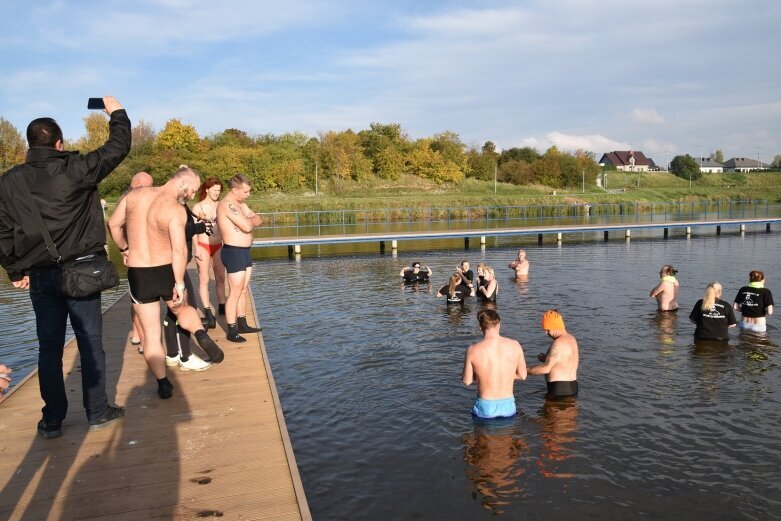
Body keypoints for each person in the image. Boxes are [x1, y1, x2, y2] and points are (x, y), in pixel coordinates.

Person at [0, 96, 129, 438]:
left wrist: (14, 269)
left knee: (49, 348)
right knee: (90, 343)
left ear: (29, 145)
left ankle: (53, 419)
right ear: (59, 144)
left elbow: (2, 230)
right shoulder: (76, 168)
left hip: (41, 276)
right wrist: (116, 111)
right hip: (81, 273)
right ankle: (97, 412)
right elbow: (118, 146)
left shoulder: (8, 182)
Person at [108, 166, 224, 399]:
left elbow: (113, 224)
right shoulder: (175, 209)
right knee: (182, 310)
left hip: (139, 271)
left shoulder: (133, 197)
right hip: (166, 270)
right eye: (191, 191)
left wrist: (124, 248)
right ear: (181, 184)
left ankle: (162, 384)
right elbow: (180, 250)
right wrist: (179, 282)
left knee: (151, 334)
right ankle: (199, 332)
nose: (191, 195)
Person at [162, 199, 214, 372]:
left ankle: (172, 354)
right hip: (175, 262)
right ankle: (186, 356)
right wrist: (201, 227)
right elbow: (181, 230)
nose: (192, 193)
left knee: (173, 310)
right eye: (191, 189)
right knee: (187, 308)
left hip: (168, 263)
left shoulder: (172, 204)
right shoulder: (174, 205)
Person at [217, 173, 262, 342]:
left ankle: (242, 322)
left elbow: (258, 219)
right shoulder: (227, 205)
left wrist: (250, 220)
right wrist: (249, 221)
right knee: (235, 292)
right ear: (235, 190)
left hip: (245, 252)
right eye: (246, 192)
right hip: (233, 251)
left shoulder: (241, 204)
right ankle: (231, 330)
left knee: (243, 289)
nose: (248, 195)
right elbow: (246, 225)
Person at [462, 309, 527, 418]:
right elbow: (523, 375)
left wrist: (482, 376)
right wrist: (507, 375)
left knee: (482, 435)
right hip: (508, 406)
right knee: (507, 435)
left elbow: (467, 381)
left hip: (485, 407)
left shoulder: (473, 350)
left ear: (480, 327)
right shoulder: (515, 345)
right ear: (499, 325)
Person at [125, 172, 154, 354]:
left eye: (150, 186)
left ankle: (138, 333)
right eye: (144, 187)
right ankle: (142, 339)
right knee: (138, 302)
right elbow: (114, 225)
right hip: (136, 259)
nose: (147, 190)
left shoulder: (153, 200)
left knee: (143, 302)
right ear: (133, 185)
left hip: (153, 257)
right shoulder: (126, 201)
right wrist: (123, 248)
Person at [192, 178, 227, 328]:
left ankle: (222, 306)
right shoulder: (198, 207)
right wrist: (196, 248)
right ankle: (207, 310)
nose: (217, 193)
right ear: (207, 190)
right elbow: (193, 230)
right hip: (203, 244)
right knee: (204, 278)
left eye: (219, 191)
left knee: (220, 277)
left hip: (218, 245)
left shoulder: (221, 206)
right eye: (214, 190)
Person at [528, 310, 579, 399]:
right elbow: (564, 361)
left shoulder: (558, 343)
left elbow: (546, 369)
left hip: (558, 390)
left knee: (550, 412)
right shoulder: (572, 339)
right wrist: (546, 358)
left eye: (548, 329)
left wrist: (524, 370)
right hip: (573, 387)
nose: (546, 333)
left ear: (555, 326)